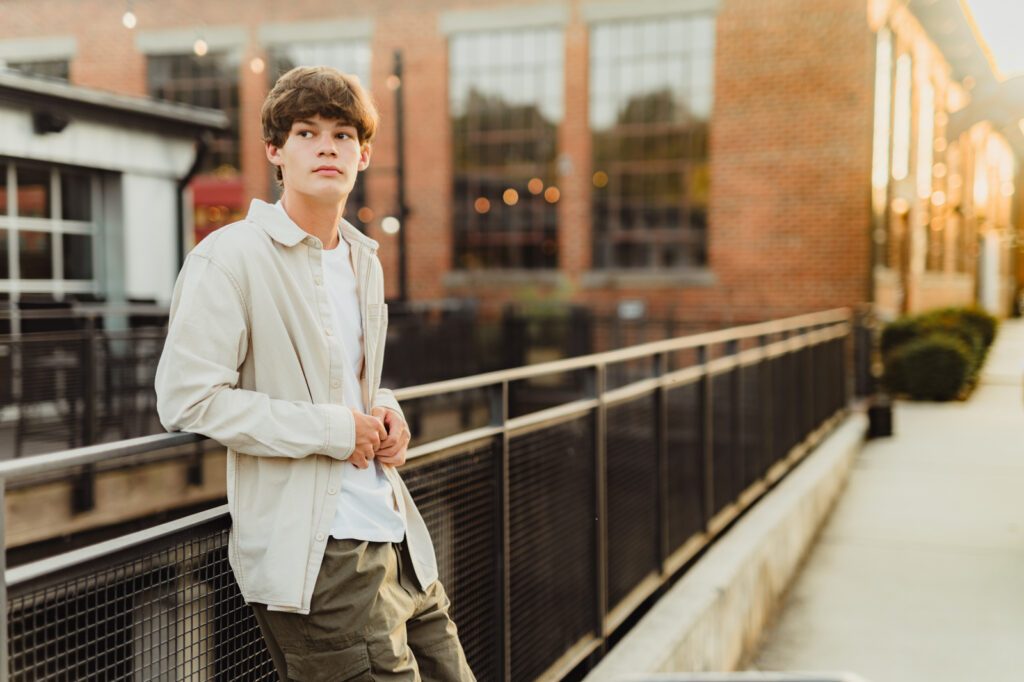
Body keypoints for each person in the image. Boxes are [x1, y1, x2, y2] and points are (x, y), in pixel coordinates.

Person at [155, 65, 474, 682]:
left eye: (343, 134)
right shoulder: (229, 258)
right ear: (275, 151)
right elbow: (186, 399)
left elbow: (346, 376)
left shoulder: (362, 258)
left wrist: (384, 408)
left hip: (398, 535)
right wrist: (332, 431)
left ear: (363, 154)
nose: (327, 146)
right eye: (306, 132)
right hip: (320, 557)